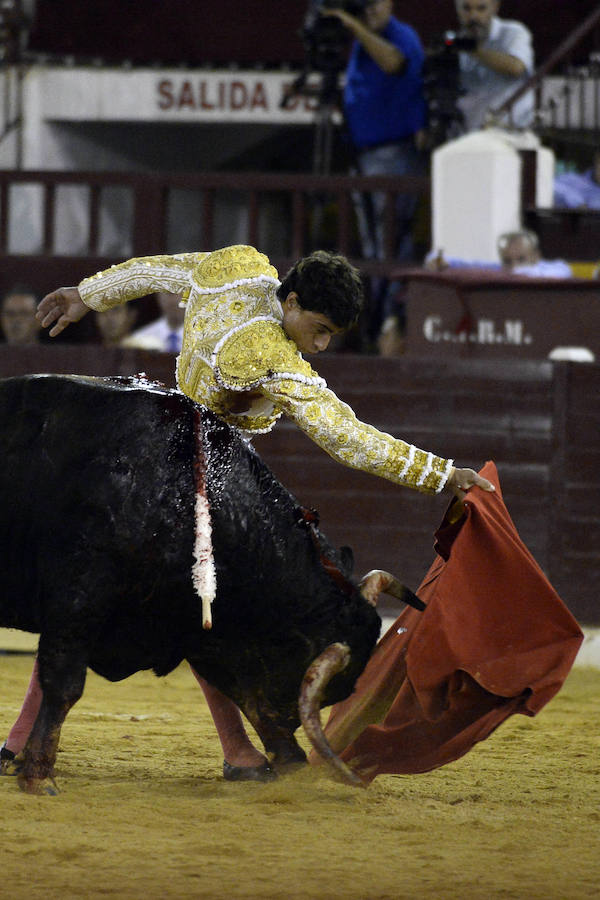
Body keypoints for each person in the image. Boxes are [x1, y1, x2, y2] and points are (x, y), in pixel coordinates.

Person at [1, 244, 493, 782]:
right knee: (183, 607)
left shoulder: (238, 267)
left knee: (89, 591)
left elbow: (158, 270)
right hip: (201, 487)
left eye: (331, 336)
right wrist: (441, 474)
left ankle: (26, 741)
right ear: (293, 302)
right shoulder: (271, 358)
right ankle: (237, 749)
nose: (320, 346)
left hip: (148, 444)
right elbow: (346, 437)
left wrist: (86, 295)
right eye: (319, 329)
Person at [322, 0, 427, 342]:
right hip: (365, 155)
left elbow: (395, 62)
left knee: (390, 244)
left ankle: (391, 321)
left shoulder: (400, 34)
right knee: (374, 246)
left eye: (375, 2)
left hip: (394, 154)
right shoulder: (363, 42)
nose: (368, 9)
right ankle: (380, 323)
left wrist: (354, 26)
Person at [453, 0, 534, 132]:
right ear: (458, 10)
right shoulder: (456, 41)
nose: (473, 16)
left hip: (511, 132)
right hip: (471, 133)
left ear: (495, 8)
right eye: (466, 9)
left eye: (481, 9)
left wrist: (472, 50)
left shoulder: (513, 32)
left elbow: (516, 67)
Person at [425, 229, 573, 278]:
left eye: (521, 259)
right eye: (507, 261)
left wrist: (517, 274)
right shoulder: (499, 268)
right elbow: (436, 258)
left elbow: (564, 271)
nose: (514, 266)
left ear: (536, 256)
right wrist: (437, 262)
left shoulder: (555, 268)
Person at [120, 291, 185, 352]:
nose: (175, 300)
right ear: (158, 295)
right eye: (169, 293)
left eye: (183, 293)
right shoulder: (138, 341)